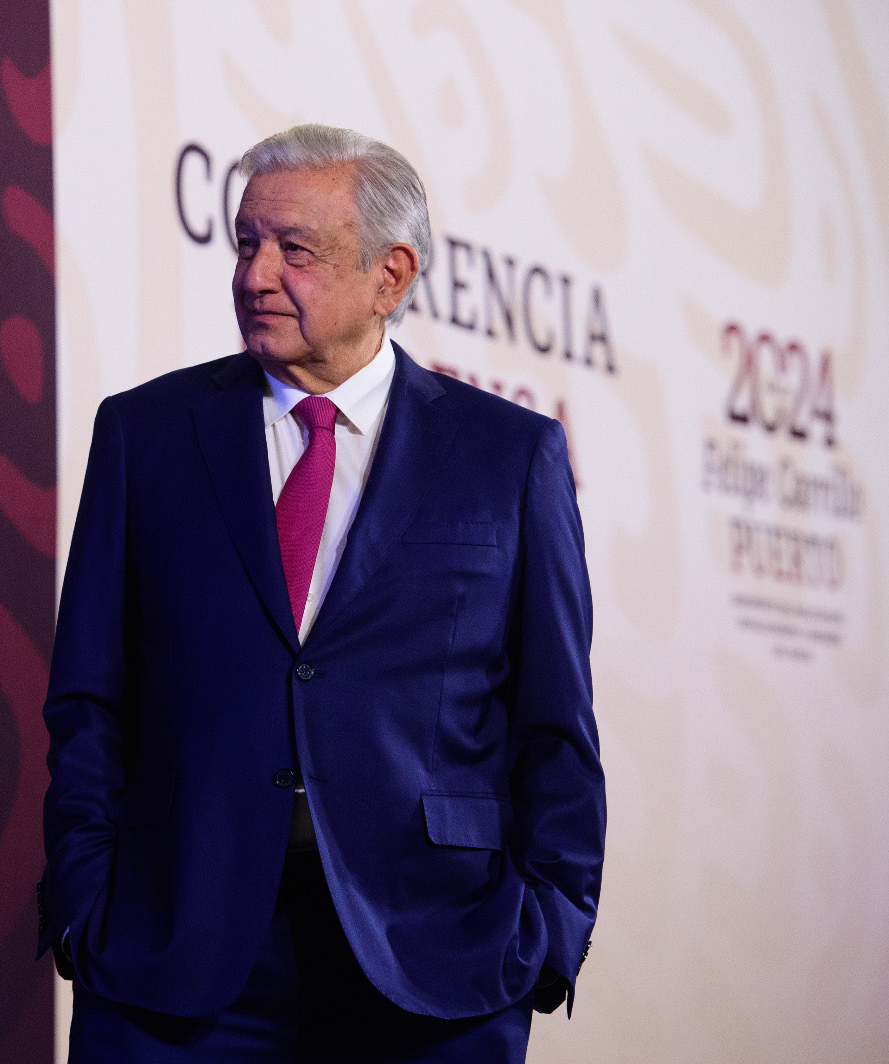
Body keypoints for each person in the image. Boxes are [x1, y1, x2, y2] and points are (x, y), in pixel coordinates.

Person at [37, 124, 605, 1062]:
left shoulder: (508, 456)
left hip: (436, 959)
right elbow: (88, 700)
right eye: (247, 243)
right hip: (170, 956)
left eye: (294, 250)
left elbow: (556, 727)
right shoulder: (146, 434)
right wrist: (83, 901)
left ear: (391, 276)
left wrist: (548, 934)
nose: (256, 276)